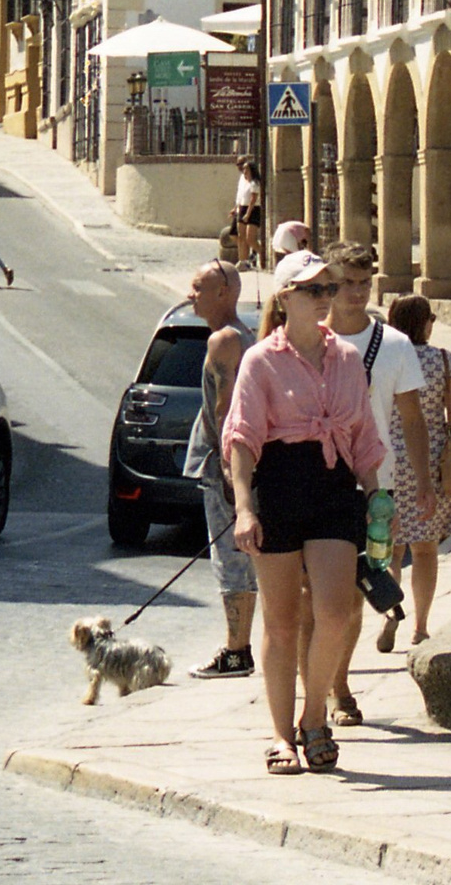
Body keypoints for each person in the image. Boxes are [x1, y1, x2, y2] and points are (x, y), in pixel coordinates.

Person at [223, 249, 384, 776]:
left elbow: (362, 433)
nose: (324, 298)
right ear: (284, 296)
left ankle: (315, 715)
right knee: (284, 620)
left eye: (328, 289)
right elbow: (242, 439)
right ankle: (279, 733)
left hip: (335, 485)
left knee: (337, 612)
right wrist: (244, 508)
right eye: (313, 289)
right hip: (280, 484)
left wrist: (378, 497)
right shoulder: (260, 360)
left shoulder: (346, 360)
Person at [311, 242, 398, 721]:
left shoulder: (392, 343)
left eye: (365, 283)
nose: (356, 292)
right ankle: (315, 692)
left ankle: (338, 685)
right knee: (312, 602)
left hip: (370, 488)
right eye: (346, 283)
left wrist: (412, 486)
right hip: (310, 486)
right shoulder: (304, 338)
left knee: (354, 594)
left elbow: (404, 421)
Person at [376, 294, 451, 651]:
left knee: (391, 547)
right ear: (425, 322)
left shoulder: (385, 357)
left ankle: (390, 610)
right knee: (426, 550)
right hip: (429, 460)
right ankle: (420, 626)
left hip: (387, 460)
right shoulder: (444, 361)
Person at [181, 259, 261, 680]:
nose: (191, 293)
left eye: (198, 287)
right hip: (241, 464)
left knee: (230, 557)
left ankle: (236, 650)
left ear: (224, 293)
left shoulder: (225, 341)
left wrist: (230, 472)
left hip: (224, 465)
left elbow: (224, 409)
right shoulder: (244, 335)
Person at [230, 156, 264, 267]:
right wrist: (236, 209)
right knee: (241, 237)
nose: (243, 171)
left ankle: (263, 256)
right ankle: (242, 261)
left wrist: (247, 214)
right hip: (242, 207)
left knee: (250, 239)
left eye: (246, 169)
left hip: (252, 210)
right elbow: (241, 196)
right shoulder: (243, 181)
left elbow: (253, 200)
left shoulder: (254, 183)